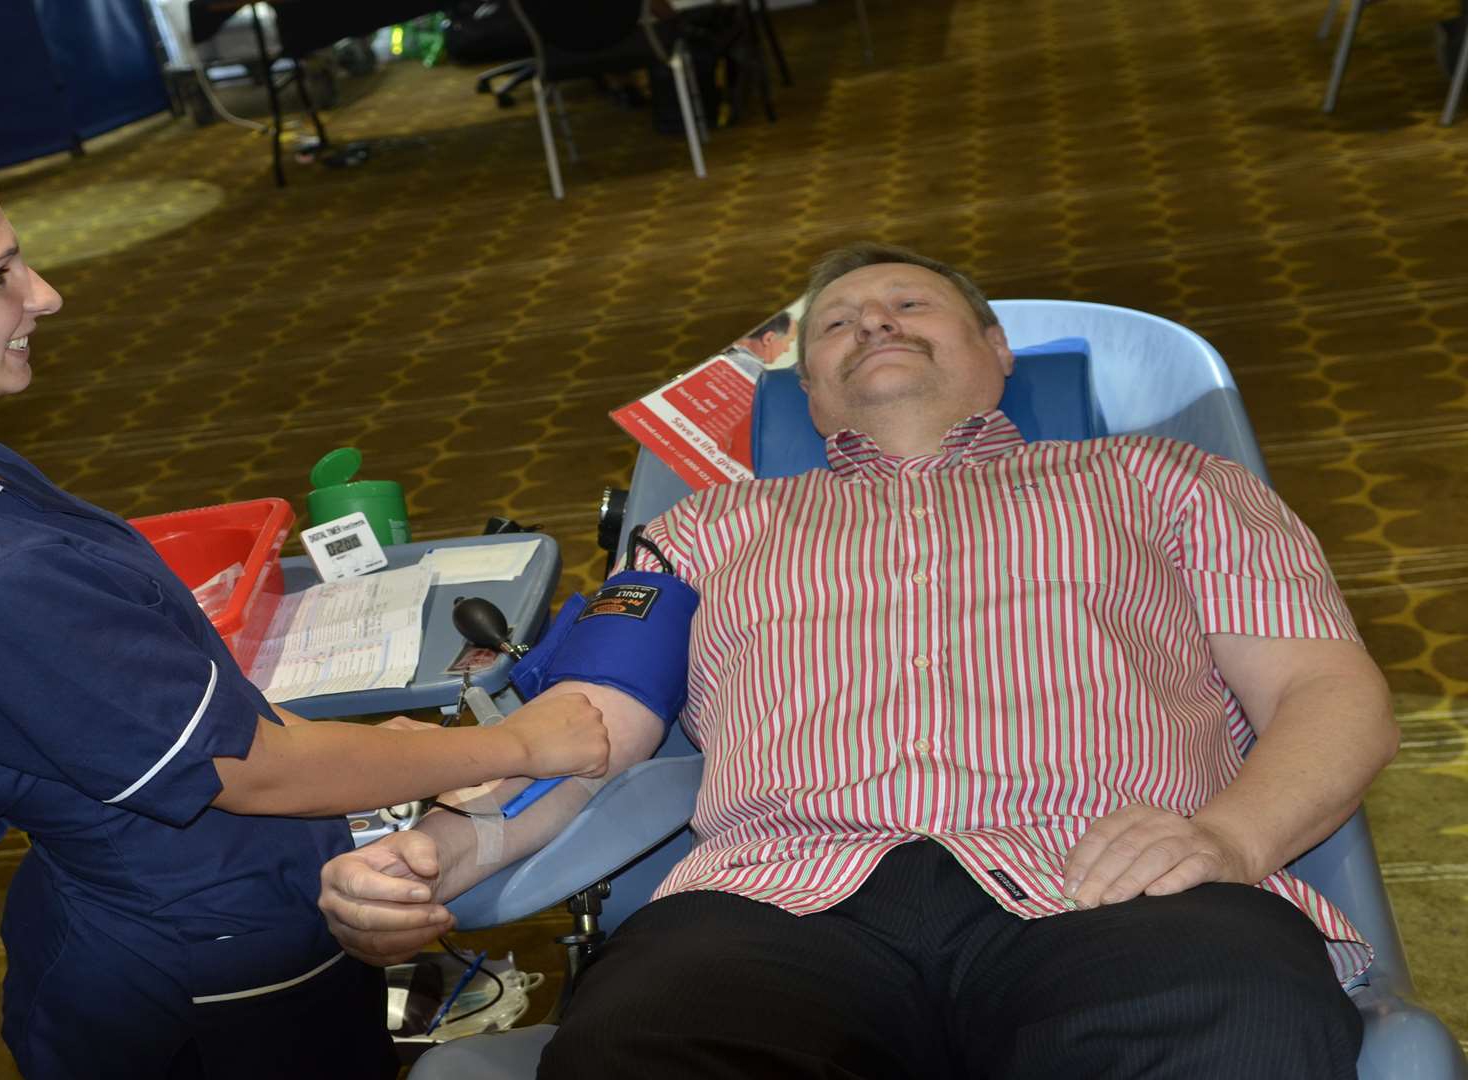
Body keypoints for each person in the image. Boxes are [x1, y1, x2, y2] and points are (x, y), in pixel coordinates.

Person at [0, 133, 611, 1080]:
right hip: (208, 955)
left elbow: (172, 708)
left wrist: (357, 760)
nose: (44, 294)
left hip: (198, 888)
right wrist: (518, 745)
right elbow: (246, 773)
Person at [317, 243, 1401, 1078]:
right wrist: (443, 849)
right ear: (809, 392)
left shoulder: (1166, 479)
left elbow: (1325, 690)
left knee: (1232, 1028)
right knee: (641, 1049)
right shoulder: (709, 529)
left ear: (995, 351)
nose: (870, 322)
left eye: (908, 304)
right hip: (776, 902)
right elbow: (589, 724)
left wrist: (1228, 836)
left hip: (1116, 879)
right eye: (835, 323)